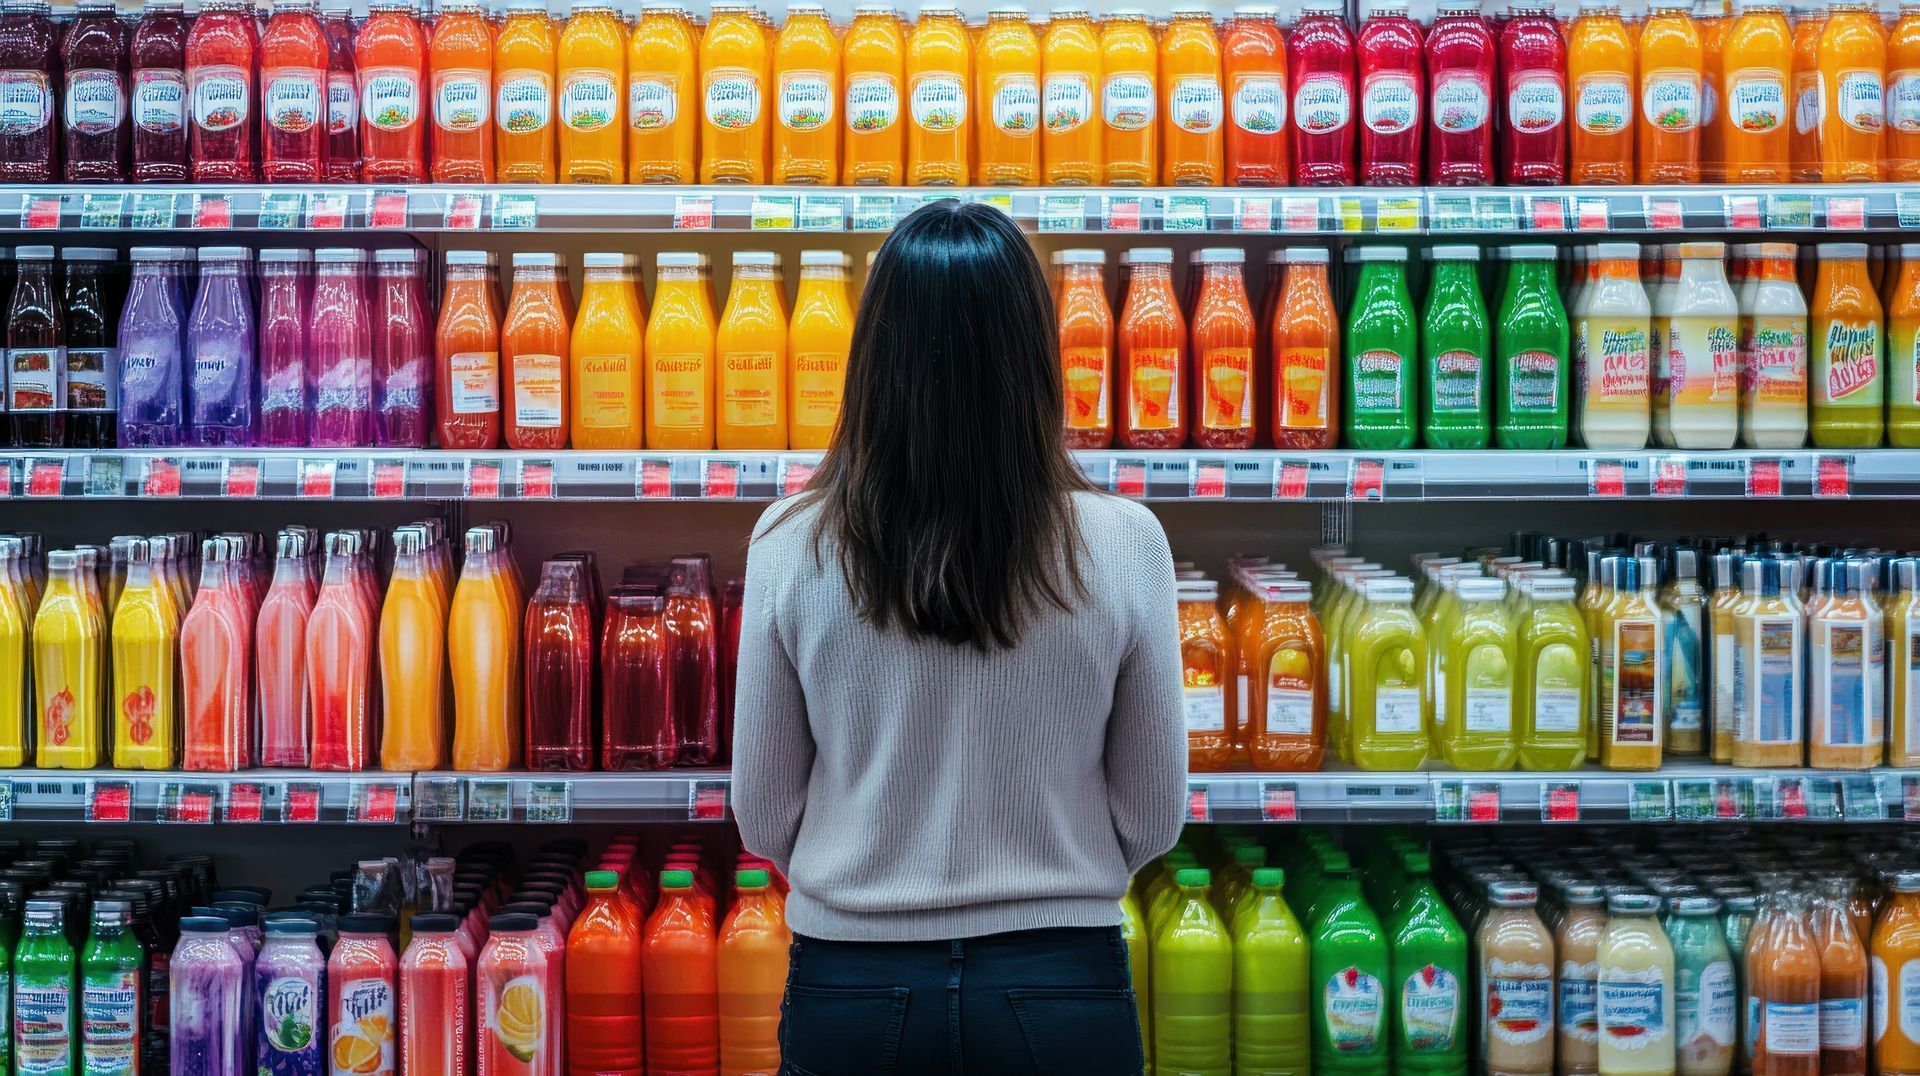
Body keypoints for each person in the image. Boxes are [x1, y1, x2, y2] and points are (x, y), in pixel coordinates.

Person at [732, 200, 1186, 1074]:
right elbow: (1152, 814)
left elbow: (764, 812)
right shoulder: (1128, 544)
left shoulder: (790, 541)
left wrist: (875, 858)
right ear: (1034, 357)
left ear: (873, 359)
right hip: (1062, 986)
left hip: (851, 985)